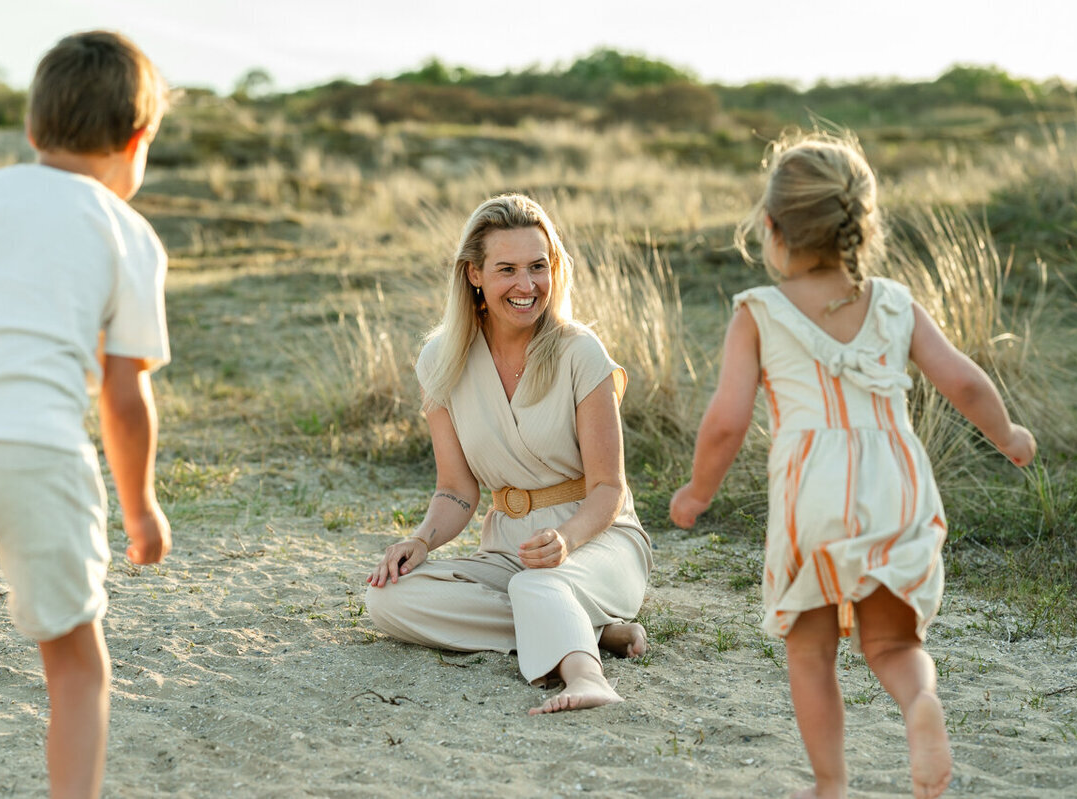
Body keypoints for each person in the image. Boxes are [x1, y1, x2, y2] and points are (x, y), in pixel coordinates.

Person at [669, 132, 1036, 799]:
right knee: (893, 645)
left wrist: (697, 491)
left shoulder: (758, 312)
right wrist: (1007, 432)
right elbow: (964, 381)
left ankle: (830, 783)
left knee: (811, 650)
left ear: (773, 227)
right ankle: (919, 703)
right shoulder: (895, 301)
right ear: (858, 225)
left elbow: (724, 422)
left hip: (812, 487)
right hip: (895, 479)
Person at [0, 31, 172, 799]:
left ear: (32, 128)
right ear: (137, 140)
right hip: (36, 452)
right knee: (76, 662)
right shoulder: (129, 233)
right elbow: (123, 396)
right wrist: (141, 509)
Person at [365, 194, 653, 715]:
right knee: (387, 598)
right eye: (507, 270)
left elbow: (609, 487)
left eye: (538, 267)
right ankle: (591, 624)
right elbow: (456, 489)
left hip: (599, 539)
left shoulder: (579, 351)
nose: (527, 286)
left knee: (536, 585)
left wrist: (567, 538)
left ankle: (587, 674)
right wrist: (422, 540)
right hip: (509, 550)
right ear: (474, 274)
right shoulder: (440, 361)